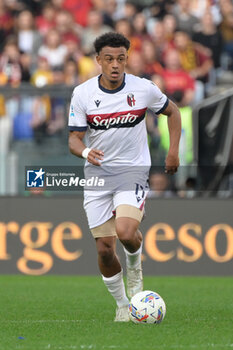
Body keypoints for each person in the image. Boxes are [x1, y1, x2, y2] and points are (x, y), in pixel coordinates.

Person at [68, 32, 181, 322]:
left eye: (121, 58)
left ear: (127, 59)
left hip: (132, 170)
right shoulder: (83, 94)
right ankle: (122, 305)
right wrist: (85, 153)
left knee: (127, 233)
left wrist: (172, 152)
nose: (115, 65)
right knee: (105, 250)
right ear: (98, 61)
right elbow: (74, 140)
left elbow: (174, 112)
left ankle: (135, 266)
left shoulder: (143, 89)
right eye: (109, 59)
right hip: (97, 176)